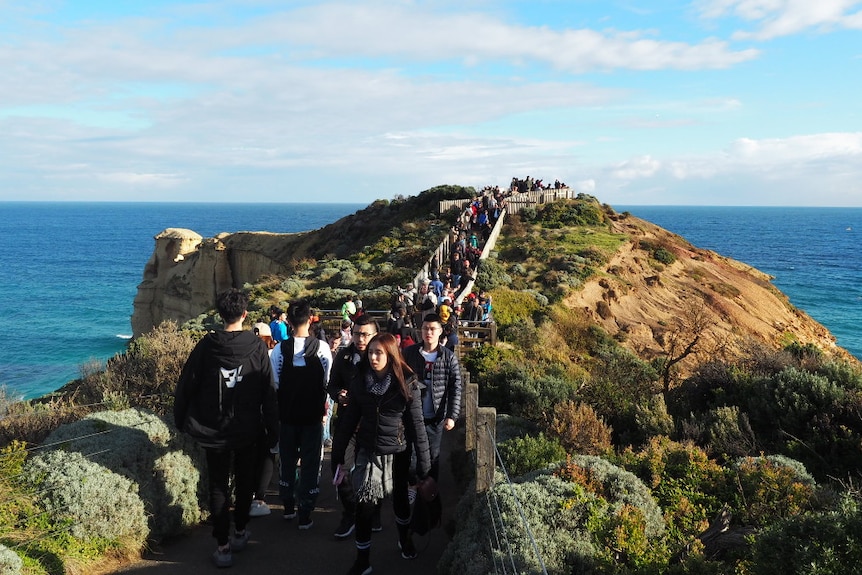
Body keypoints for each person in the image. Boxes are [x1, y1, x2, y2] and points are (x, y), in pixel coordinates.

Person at [174, 289, 278, 568]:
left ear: (220, 315)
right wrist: (273, 428)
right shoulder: (257, 347)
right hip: (248, 429)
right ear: (245, 314)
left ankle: (222, 545)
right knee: (245, 482)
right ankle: (241, 531)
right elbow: (268, 391)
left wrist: (180, 419)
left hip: (213, 431)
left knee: (218, 485)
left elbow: (186, 385)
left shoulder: (207, 346)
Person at [331, 333, 431, 575]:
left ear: (391, 355)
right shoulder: (360, 381)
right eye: (371, 352)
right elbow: (349, 420)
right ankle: (362, 560)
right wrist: (338, 453)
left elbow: (417, 426)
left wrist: (425, 468)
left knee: (400, 502)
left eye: (379, 353)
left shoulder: (407, 383)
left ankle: (404, 539)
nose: (374, 357)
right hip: (370, 450)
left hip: (398, 451)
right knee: (364, 505)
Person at [270, 299, 333, 529]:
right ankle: (305, 511)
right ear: (309, 320)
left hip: (287, 415)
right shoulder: (322, 348)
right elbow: (328, 382)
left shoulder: (279, 350)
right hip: (312, 416)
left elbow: (275, 382)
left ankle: (287, 505)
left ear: (289, 321)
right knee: (310, 462)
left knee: (287, 460)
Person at [327, 314, 381, 538]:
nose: (360, 338)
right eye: (357, 333)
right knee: (339, 464)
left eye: (366, 334)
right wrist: (339, 395)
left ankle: (373, 514)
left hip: (372, 424)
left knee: (372, 472)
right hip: (347, 422)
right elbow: (331, 385)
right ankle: (350, 512)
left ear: (375, 335)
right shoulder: (344, 356)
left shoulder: (381, 357)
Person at [403, 313, 462, 481]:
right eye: (425, 328)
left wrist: (452, 416)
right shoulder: (409, 353)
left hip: (436, 416)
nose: (428, 332)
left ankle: (430, 492)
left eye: (432, 329)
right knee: (413, 456)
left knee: (433, 456)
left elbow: (456, 387)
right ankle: (413, 489)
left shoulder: (448, 356)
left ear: (440, 331)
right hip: (413, 415)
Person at [249, 322, 279, 518]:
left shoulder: (249, 356)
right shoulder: (275, 355)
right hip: (269, 412)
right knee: (268, 453)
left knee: (252, 454)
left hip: (250, 414)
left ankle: (250, 493)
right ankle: (260, 496)